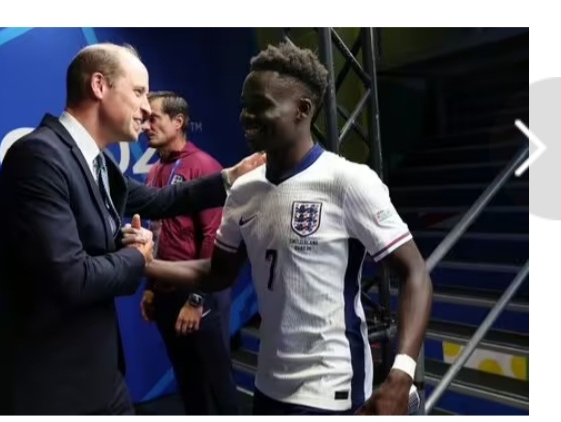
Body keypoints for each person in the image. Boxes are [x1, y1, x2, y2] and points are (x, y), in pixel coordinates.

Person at [124, 41, 433, 415]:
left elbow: (414, 272)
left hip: (331, 388)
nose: (246, 118)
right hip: (267, 385)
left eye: (260, 107)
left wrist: (401, 375)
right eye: (244, 107)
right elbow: (218, 273)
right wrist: (144, 262)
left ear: (302, 110)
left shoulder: (348, 181)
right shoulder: (243, 190)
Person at [0, 42, 264, 415]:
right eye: (138, 92)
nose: (148, 108)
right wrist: (137, 255)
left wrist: (229, 178)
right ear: (99, 86)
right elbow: (70, 277)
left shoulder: (92, 160)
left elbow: (158, 201)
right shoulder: (39, 157)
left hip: (99, 376)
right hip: (55, 386)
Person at [140, 91, 239, 415]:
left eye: (153, 118)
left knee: (217, 385)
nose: (145, 125)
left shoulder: (204, 166)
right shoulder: (154, 171)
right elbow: (155, 233)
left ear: (179, 121)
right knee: (188, 383)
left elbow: (215, 236)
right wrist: (151, 290)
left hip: (199, 294)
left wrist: (197, 300)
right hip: (167, 293)